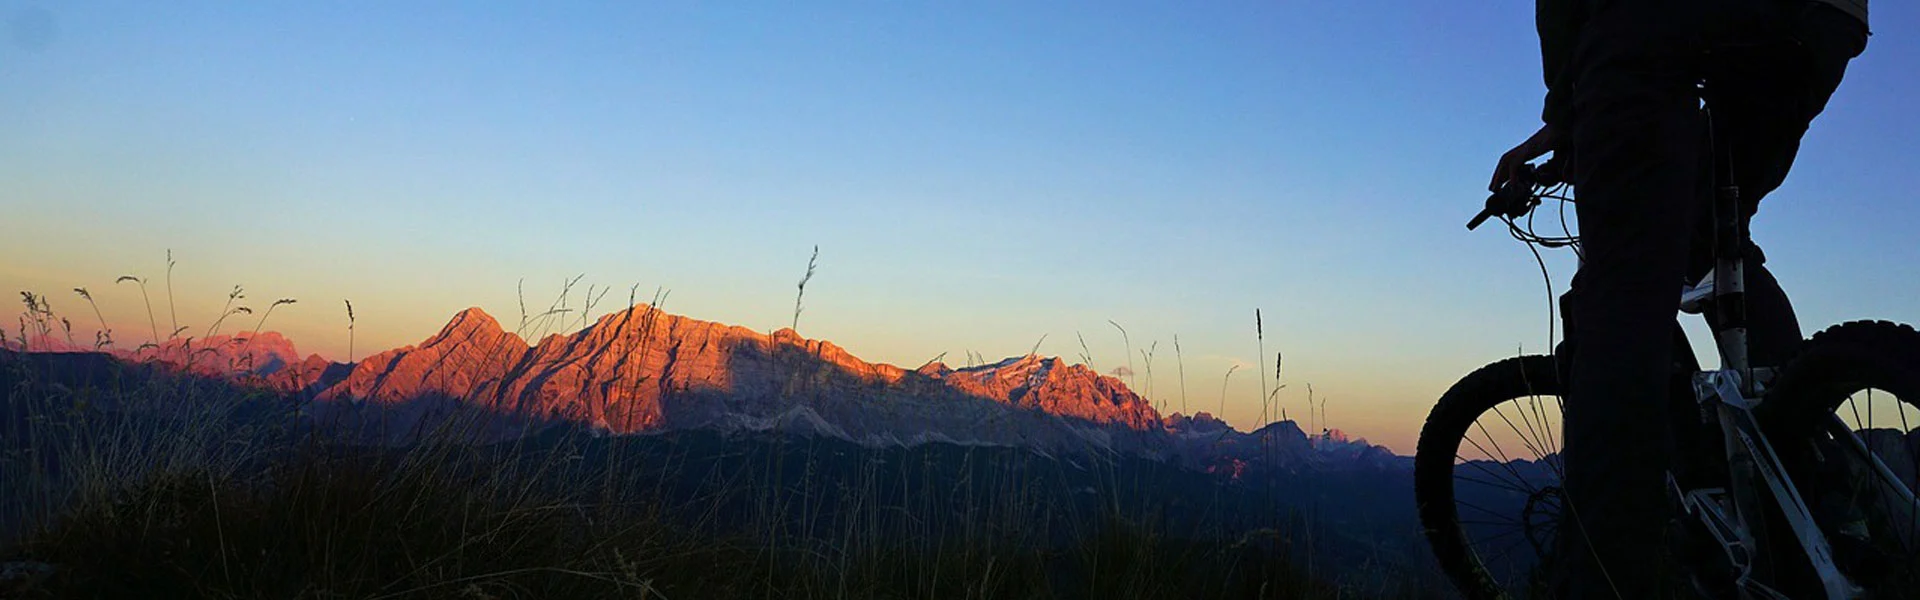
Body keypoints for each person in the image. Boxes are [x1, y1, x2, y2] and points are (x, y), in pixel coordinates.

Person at [1489, 0, 1868, 597]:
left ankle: (1603, 579)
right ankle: (1812, 477)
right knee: (1712, 237)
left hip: (1656, 19)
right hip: (1824, 19)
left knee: (1621, 291)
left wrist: (1567, 114)